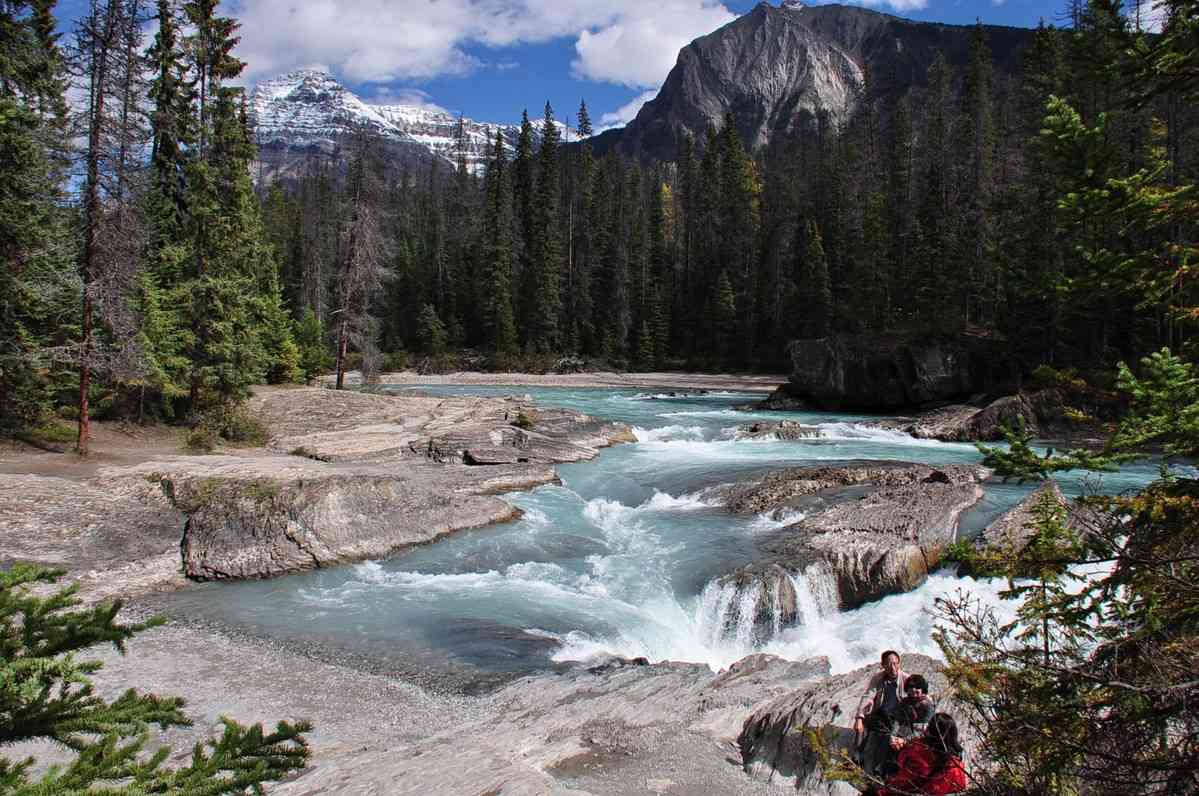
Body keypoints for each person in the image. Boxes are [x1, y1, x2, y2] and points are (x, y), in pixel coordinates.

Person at [867, 713, 968, 796]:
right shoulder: (956, 761)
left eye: (929, 726)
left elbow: (905, 783)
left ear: (932, 731)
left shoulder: (922, 753)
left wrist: (880, 791)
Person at [854, 650, 910, 779]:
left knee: (888, 738)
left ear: (899, 663)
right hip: (880, 715)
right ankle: (856, 757)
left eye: (895, 664)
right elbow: (868, 697)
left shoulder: (906, 679)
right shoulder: (878, 678)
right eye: (889, 664)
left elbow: (916, 697)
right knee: (861, 725)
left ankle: (881, 770)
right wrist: (859, 717)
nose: (893, 668)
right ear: (883, 665)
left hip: (896, 718)